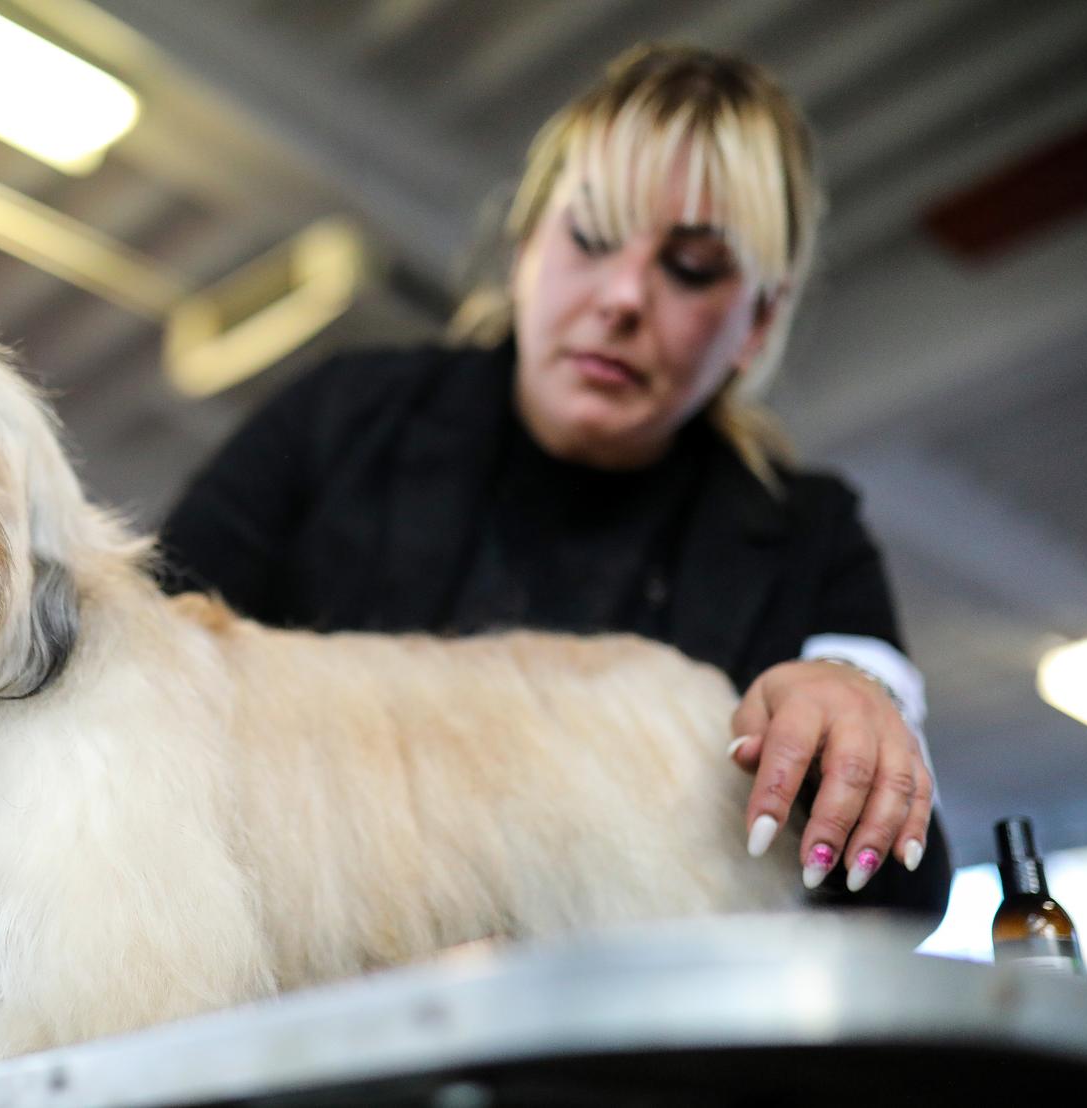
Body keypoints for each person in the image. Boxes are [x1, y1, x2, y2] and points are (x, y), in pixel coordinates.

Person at [158, 44, 950, 918]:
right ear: (524, 246)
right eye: (591, 237)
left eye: (690, 268)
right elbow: (146, 677)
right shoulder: (340, 420)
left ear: (758, 323)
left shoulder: (810, 539)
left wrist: (854, 715)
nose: (621, 298)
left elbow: (902, 894)